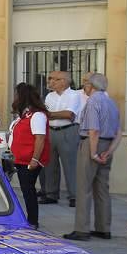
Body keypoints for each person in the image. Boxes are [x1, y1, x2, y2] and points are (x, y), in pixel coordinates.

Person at [65, 73, 122, 241]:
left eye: (86, 84)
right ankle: (104, 228)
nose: (84, 87)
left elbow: (94, 130)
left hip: (91, 144)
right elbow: (118, 132)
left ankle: (82, 229)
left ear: (91, 86)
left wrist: (93, 152)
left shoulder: (93, 102)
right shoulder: (112, 103)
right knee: (102, 188)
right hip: (107, 145)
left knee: (84, 188)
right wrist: (109, 151)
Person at [9, 83, 51, 229]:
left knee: (28, 190)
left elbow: (40, 138)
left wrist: (35, 159)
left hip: (29, 160)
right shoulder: (25, 115)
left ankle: (32, 221)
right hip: (20, 158)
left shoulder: (37, 115)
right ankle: (30, 220)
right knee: (26, 189)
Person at [41, 71, 82, 207]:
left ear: (64, 81)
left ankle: (75, 195)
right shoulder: (49, 96)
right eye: (50, 78)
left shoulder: (74, 95)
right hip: (51, 131)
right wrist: (53, 115)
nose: (51, 81)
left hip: (68, 131)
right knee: (50, 164)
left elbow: (68, 114)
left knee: (71, 165)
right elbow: (46, 115)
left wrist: (51, 114)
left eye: (54, 79)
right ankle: (51, 194)